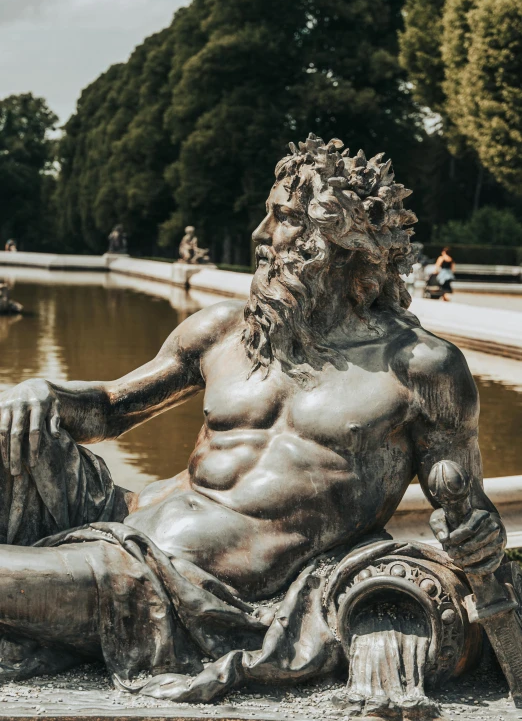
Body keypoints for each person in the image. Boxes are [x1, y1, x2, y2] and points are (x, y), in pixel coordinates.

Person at [0, 135, 505, 703]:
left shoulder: (422, 368)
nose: (261, 236)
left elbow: (468, 509)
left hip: (182, 588)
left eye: (283, 218)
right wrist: (41, 393)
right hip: (124, 519)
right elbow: (112, 408)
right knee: (10, 430)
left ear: (343, 240)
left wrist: (479, 536)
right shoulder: (224, 330)